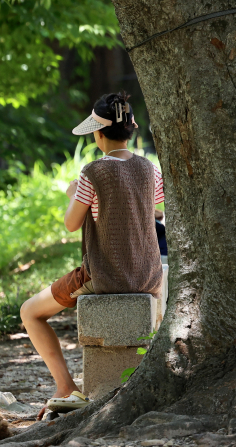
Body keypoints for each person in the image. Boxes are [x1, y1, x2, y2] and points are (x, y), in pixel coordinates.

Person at [19, 92, 163, 413]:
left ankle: (66, 387)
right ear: (131, 130)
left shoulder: (92, 172)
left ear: (98, 134)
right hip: (149, 276)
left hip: (106, 275)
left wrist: (73, 194)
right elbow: (155, 204)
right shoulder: (149, 168)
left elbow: (72, 224)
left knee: (29, 312)